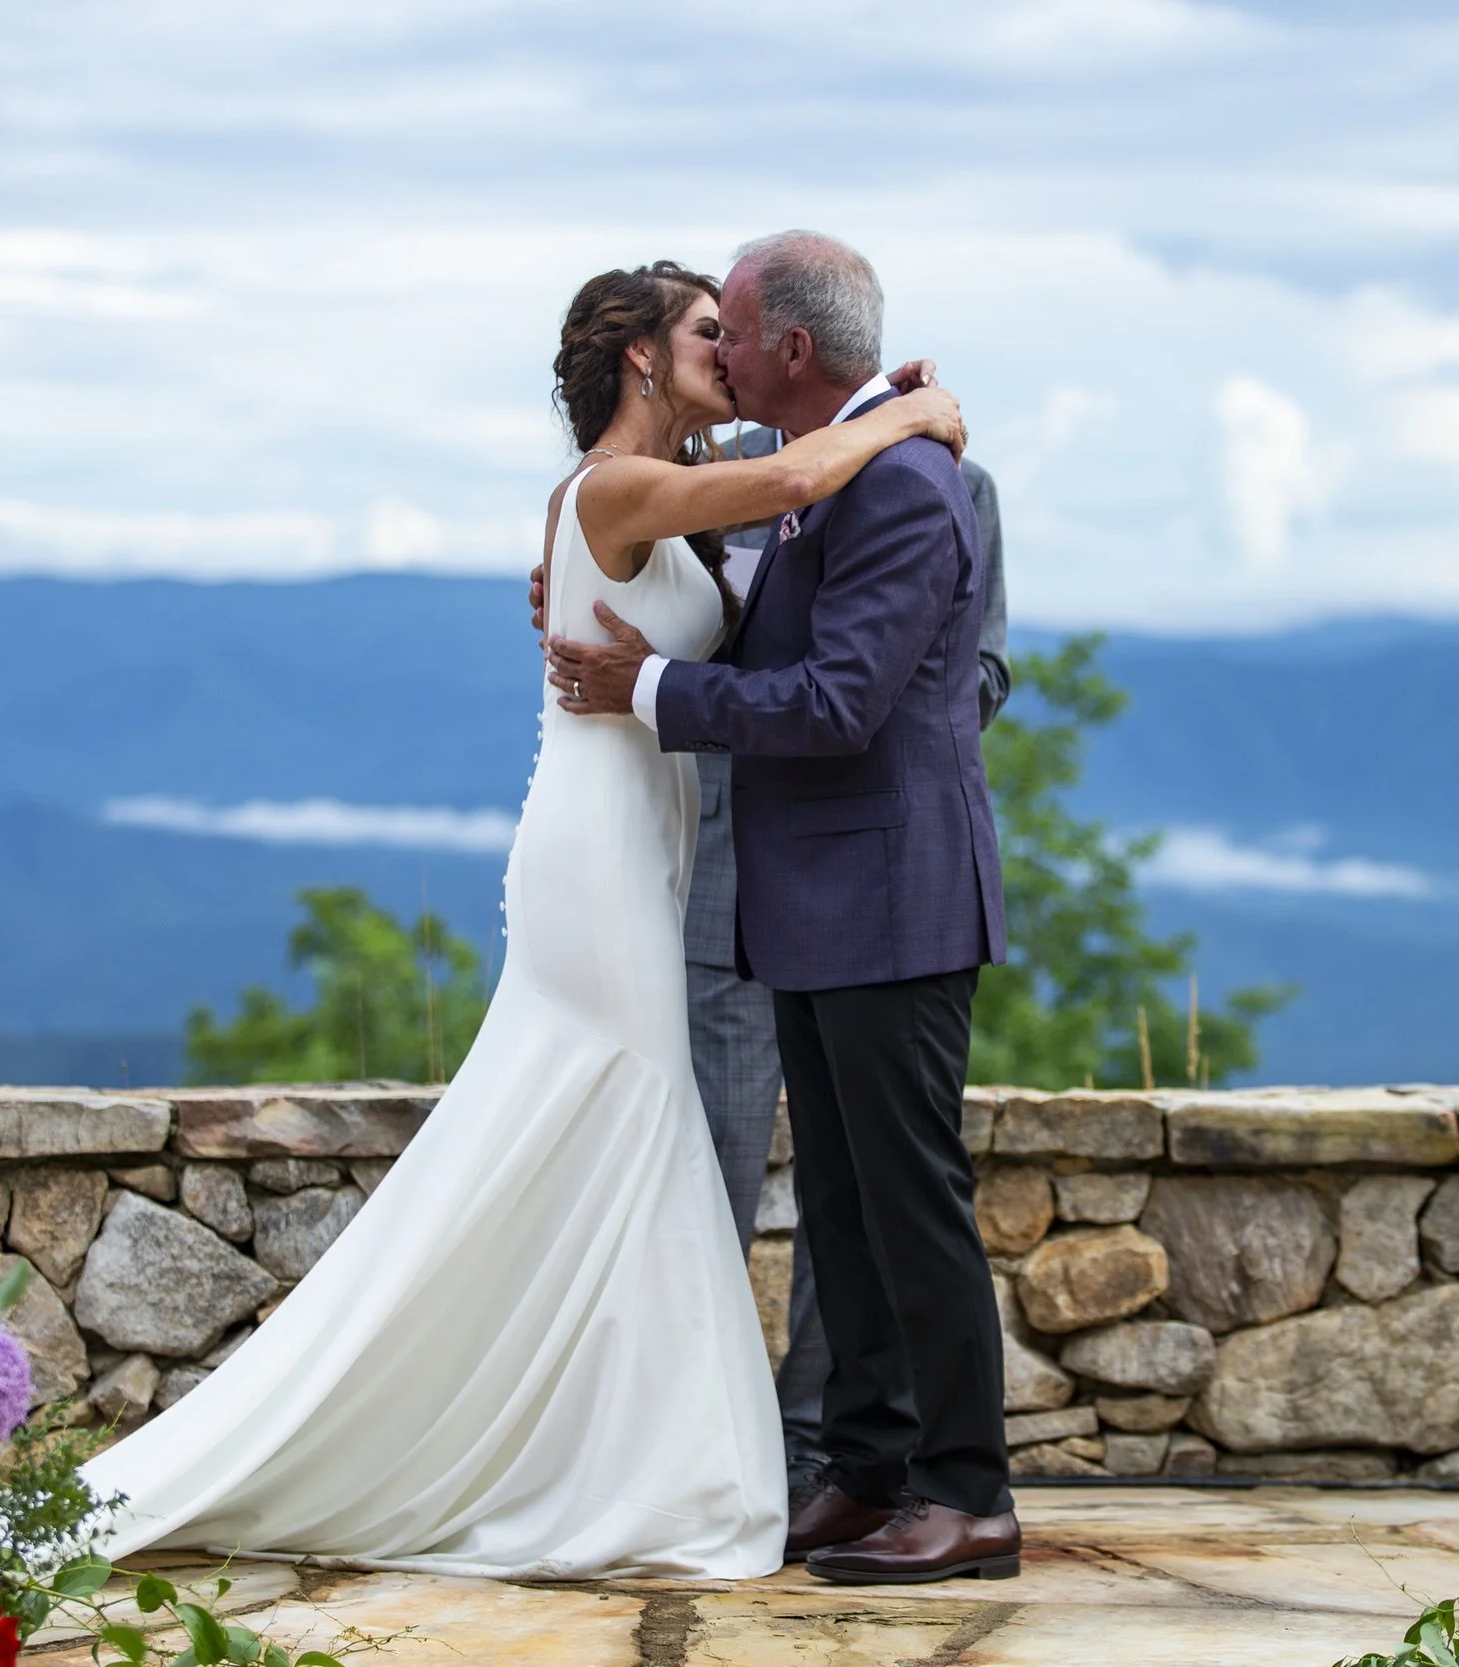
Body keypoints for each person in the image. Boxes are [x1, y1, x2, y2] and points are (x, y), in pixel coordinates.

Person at [78, 258, 964, 1581]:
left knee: (593, 1131)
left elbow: (768, 549)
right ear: (641, 361)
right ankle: (644, 1463)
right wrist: (905, 415)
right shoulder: (616, 487)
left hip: (652, 850)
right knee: (639, 1112)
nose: (728, 350)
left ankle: (592, 1447)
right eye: (705, 333)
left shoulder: (665, 496)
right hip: (599, 852)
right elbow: (787, 482)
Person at [549, 230, 1018, 1586]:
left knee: (911, 1201)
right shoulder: (829, 485)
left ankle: (967, 1490)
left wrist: (645, 691)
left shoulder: (907, 489)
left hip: (890, 897)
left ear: (792, 352)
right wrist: (637, 620)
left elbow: (837, 703)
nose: (726, 356)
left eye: (736, 333)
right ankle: (867, 1474)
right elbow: (774, 641)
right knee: (851, 1206)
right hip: (823, 905)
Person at [704, 429, 1012, 1493]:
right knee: (723, 1177)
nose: (724, 352)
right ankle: (715, 1437)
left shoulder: (940, 475)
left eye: (729, 327)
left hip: (866, 880)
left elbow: (977, 667)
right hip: (707, 880)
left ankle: (847, 1454)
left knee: (884, 1192)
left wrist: (868, 739)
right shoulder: (700, 486)